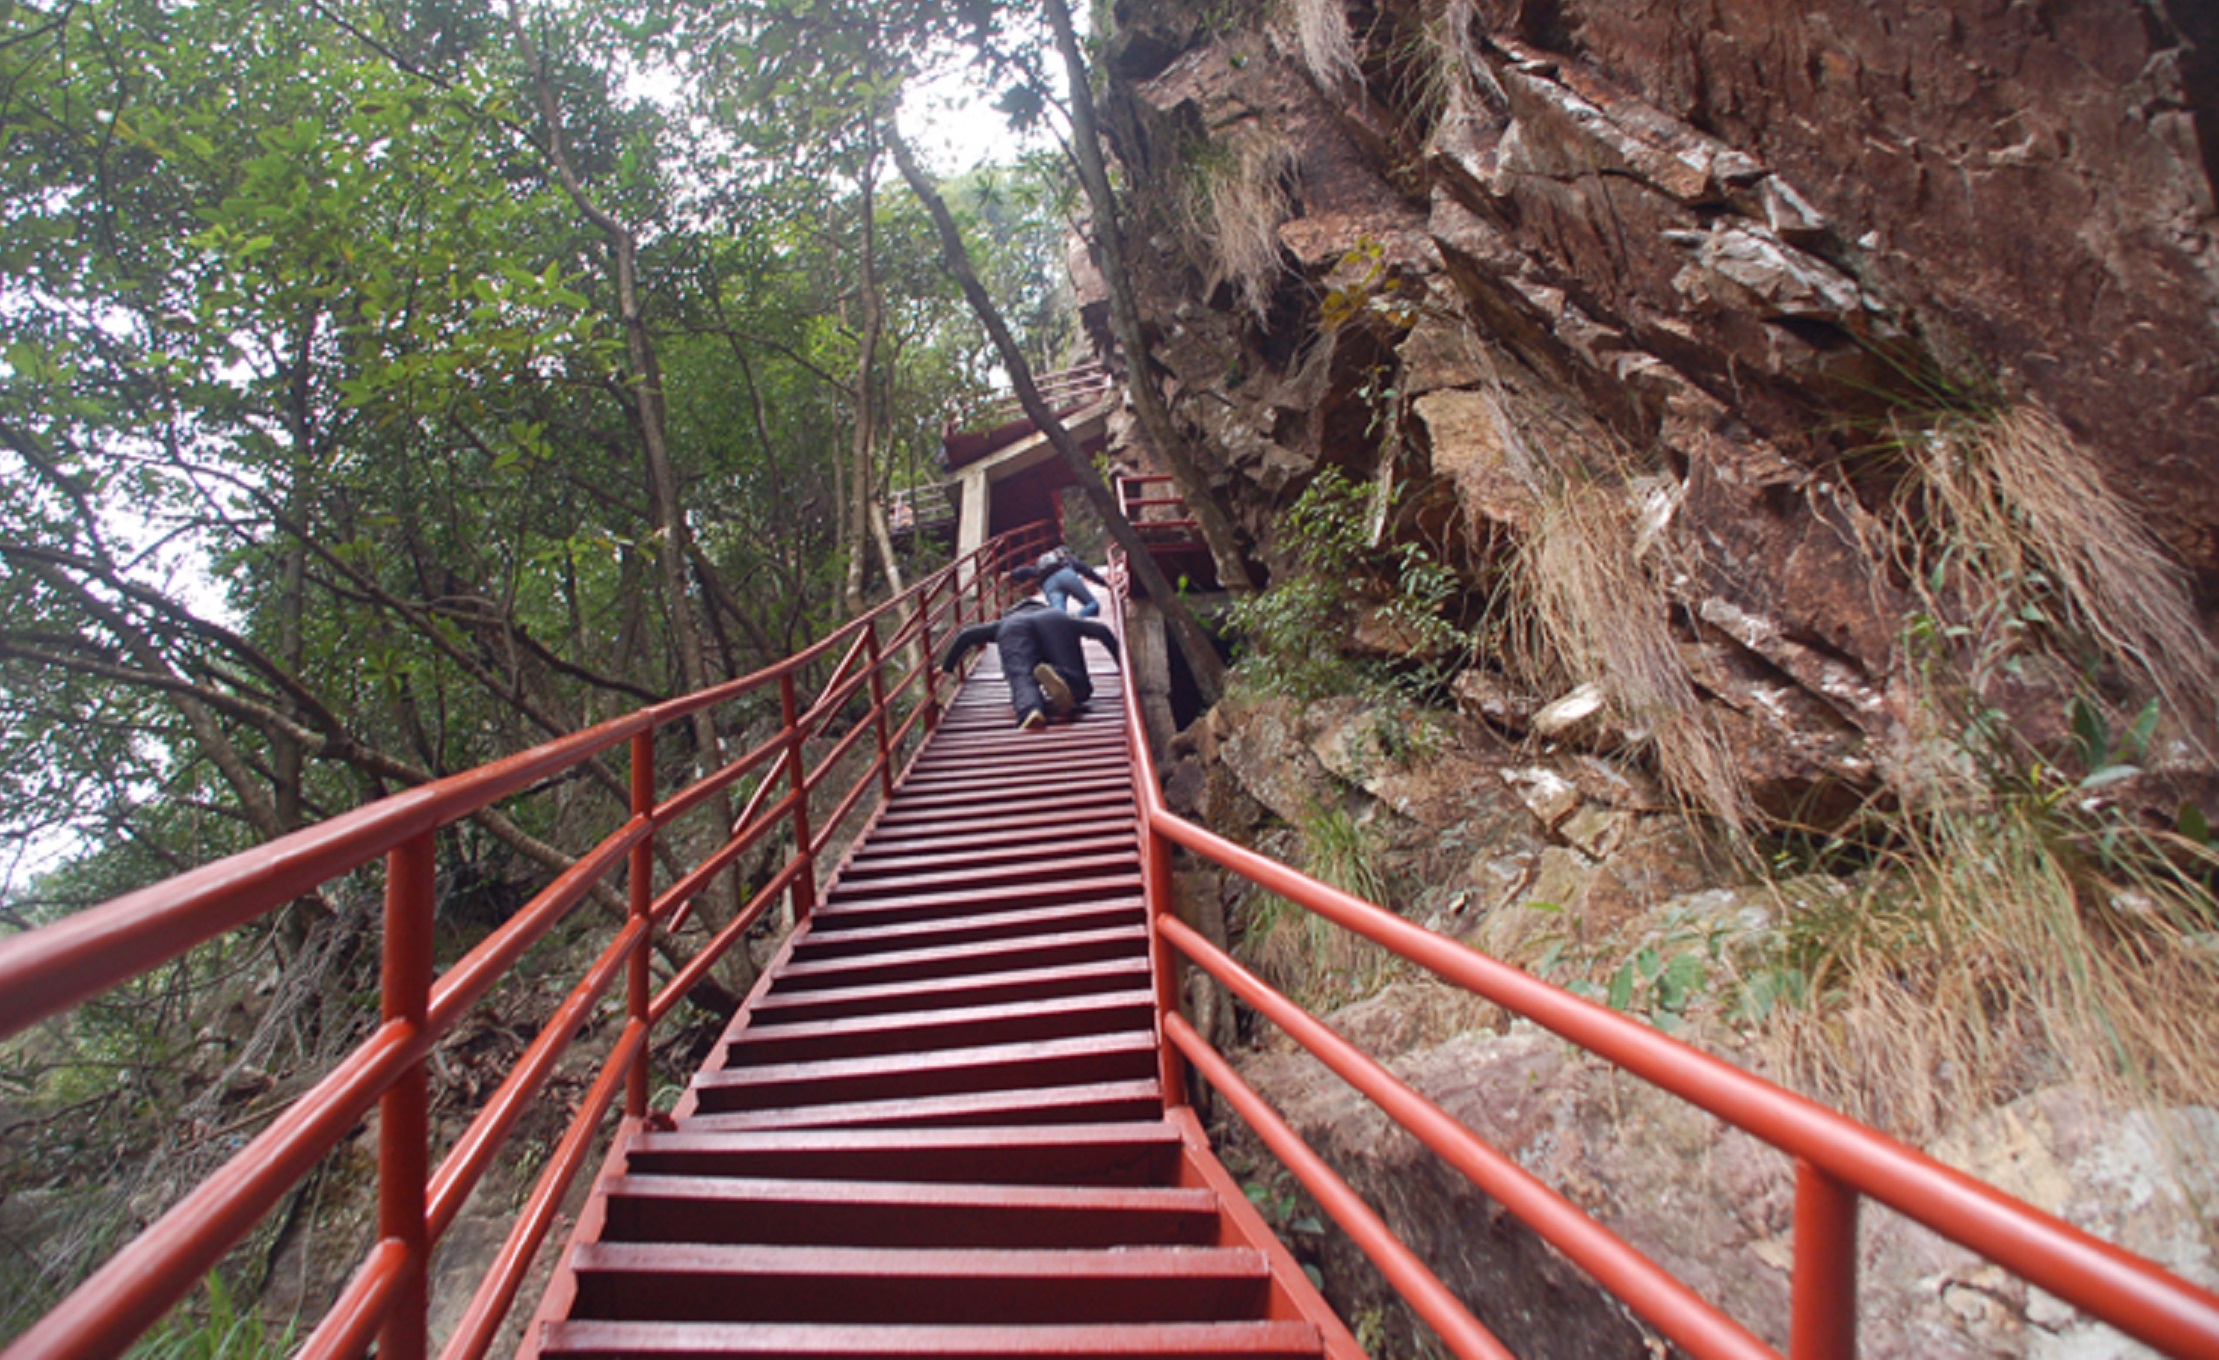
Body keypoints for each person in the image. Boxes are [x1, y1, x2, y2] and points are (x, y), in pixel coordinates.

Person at [940, 599, 1120, 730]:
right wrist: (1122, 663)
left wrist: (946, 668)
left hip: (1013, 628)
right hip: (1054, 621)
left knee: (1021, 675)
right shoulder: (1056, 614)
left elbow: (966, 636)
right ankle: (1066, 681)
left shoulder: (1005, 622)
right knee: (1075, 677)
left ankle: (1031, 709)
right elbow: (1101, 631)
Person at [1010, 547, 1107, 618]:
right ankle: (1077, 619)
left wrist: (1011, 574)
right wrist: (1103, 583)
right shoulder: (1067, 559)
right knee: (1092, 604)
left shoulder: (1041, 567)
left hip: (1049, 583)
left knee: (1058, 616)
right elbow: (1087, 571)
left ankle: (1064, 623)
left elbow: (1023, 571)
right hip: (1067, 575)